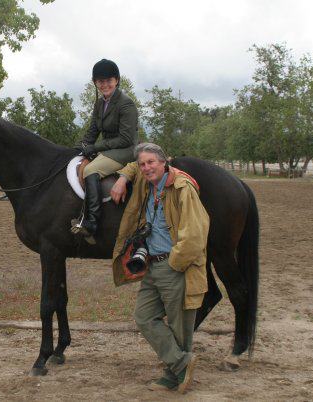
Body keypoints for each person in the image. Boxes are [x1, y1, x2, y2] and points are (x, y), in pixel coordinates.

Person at [110, 143, 209, 394]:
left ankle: (172, 374)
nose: (146, 167)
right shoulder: (149, 183)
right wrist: (123, 177)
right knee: (144, 316)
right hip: (152, 266)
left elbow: (196, 234)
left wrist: (175, 263)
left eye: (151, 162)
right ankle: (181, 364)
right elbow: (132, 165)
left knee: (180, 325)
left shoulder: (182, 188)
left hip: (175, 264)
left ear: (164, 162)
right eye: (142, 164)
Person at [70, 58, 138, 243]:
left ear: (116, 80)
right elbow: (93, 131)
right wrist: (80, 147)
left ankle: (92, 222)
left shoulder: (126, 104)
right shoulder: (100, 103)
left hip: (126, 150)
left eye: (108, 80)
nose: (104, 84)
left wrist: (95, 147)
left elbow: (125, 138)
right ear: (95, 83)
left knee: (91, 169)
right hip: (109, 149)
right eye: (100, 81)